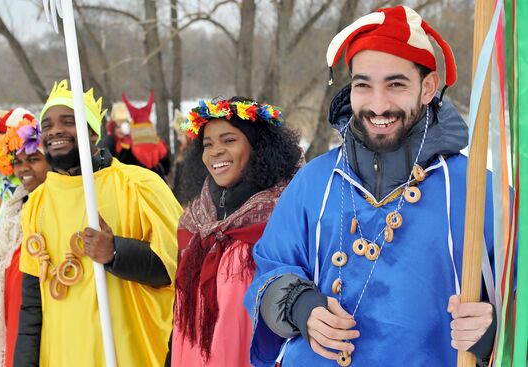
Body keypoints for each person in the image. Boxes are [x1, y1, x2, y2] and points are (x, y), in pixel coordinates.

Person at [245, 6, 497, 367]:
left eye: (395, 84)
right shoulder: (314, 182)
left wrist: (495, 334)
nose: (378, 105)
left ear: (427, 88)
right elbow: (268, 272)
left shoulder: (478, 192)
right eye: (363, 85)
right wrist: (301, 308)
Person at [14, 80, 182, 366]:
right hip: (61, 355)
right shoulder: (37, 203)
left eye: (68, 121)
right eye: (48, 124)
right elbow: (32, 304)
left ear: (92, 131)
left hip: (128, 353)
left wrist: (116, 252)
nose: (56, 130)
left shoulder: (139, 186)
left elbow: (177, 268)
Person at [171, 97, 303, 366]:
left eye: (229, 140)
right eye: (208, 144)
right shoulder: (195, 222)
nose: (215, 151)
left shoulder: (285, 217)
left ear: (258, 148)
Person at [0, 115, 49, 367]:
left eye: (33, 159)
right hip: (13, 314)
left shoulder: (56, 204)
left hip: (41, 318)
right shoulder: (16, 206)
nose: (23, 169)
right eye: (18, 162)